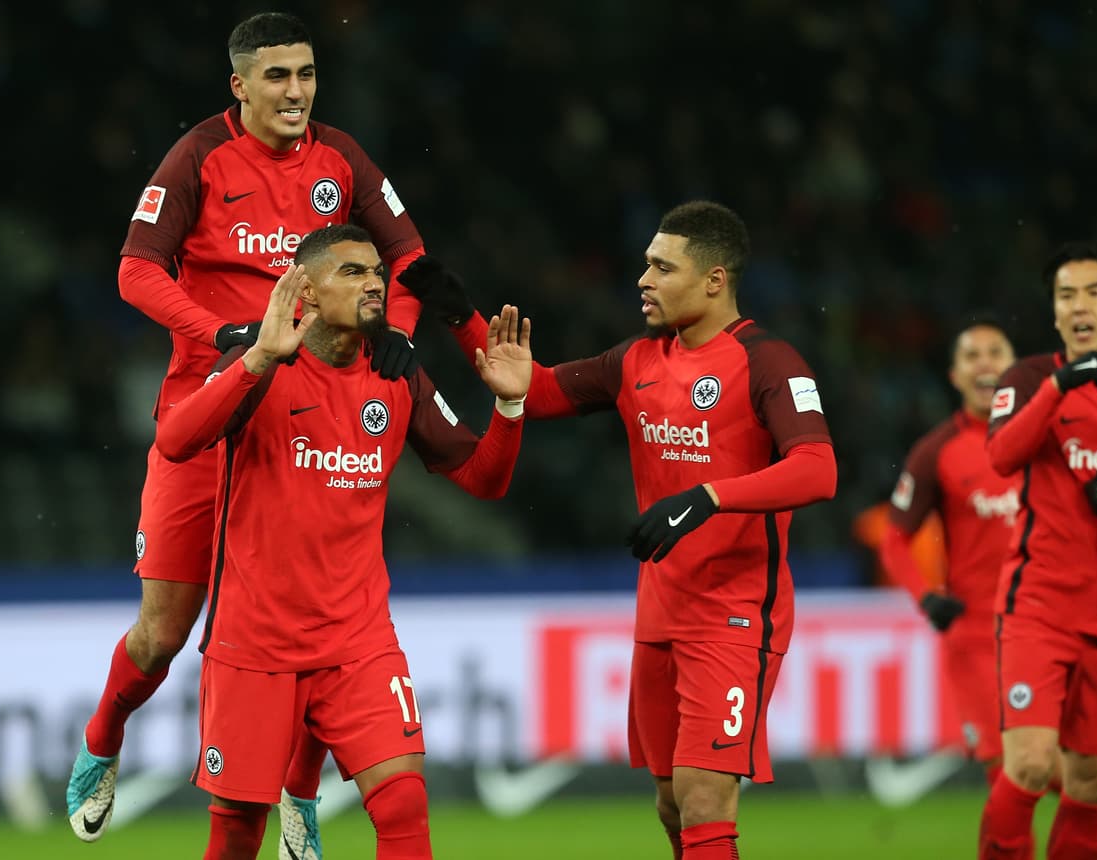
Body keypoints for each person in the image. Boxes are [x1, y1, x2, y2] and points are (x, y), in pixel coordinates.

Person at [66, 13, 427, 852]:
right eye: (276, 77)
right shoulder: (198, 157)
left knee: (311, 612)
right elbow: (133, 269)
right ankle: (103, 736)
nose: (296, 91)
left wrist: (400, 328)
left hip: (307, 410)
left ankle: (297, 790)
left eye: (305, 74)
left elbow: (408, 256)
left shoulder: (341, 158)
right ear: (240, 85)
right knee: (163, 632)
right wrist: (221, 335)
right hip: (213, 404)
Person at [402, 200, 837, 859]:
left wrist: (710, 496)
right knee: (670, 802)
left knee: (703, 797)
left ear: (715, 280)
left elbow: (818, 469)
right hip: (660, 611)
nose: (645, 280)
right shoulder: (636, 360)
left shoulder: (769, 361)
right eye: (645, 265)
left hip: (736, 614)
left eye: (663, 267)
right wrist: (463, 321)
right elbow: (539, 390)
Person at [154, 224, 531, 860]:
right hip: (255, 644)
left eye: (378, 272)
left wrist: (511, 408)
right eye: (354, 272)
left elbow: (483, 477)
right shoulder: (264, 363)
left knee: (405, 802)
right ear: (304, 288)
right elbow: (175, 441)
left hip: (358, 643)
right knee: (239, 831)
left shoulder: (397, 376)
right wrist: (254, 360)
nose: (376, 283)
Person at [978, 241, 1097, 860]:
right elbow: (1002, 456)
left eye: (1094, 291)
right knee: (1033, 763)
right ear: (1055, 312)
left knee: (1091, 779)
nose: (1080, 305)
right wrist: (1062, 384)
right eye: (1067, 295)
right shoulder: (1031, 378)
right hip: (1038, 607)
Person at [880, 317, 1019, 778]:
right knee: (1008, 772)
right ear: (955, 376)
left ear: (1014, 369)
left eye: (995, 352)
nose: (985, 364)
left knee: (1070, 770)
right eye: (972, 355)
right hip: (977, 636)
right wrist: (926, 596)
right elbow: (894, 539)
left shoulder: (1048, 440)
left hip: (1052, 626)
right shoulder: (937, 451)